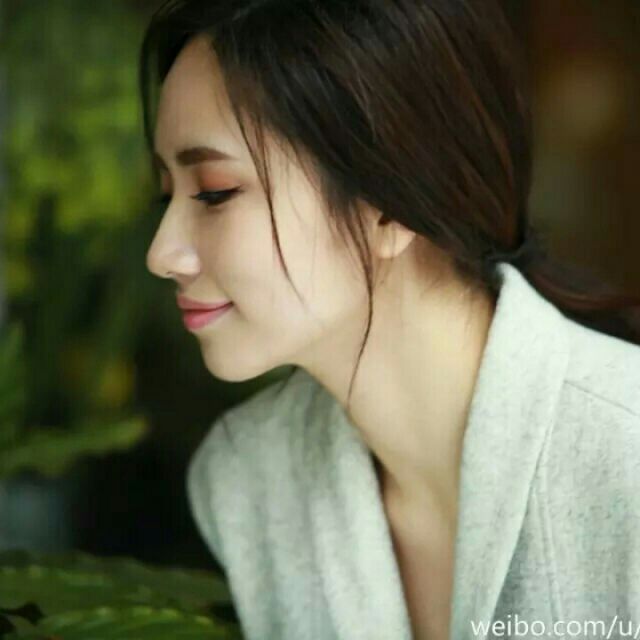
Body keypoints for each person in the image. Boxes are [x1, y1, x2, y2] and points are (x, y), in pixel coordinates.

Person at [139, 1, 640, 638]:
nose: (162, 253)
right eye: (167, 196)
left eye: (214, 192)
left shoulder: (626, 454)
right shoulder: (247, 479)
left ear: (390, 204)